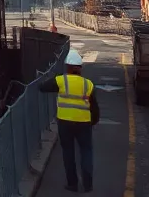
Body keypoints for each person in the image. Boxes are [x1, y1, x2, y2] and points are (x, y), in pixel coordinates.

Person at [39, 49, 100, 193]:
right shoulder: (88, 84)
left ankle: (72, 184)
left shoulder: (61, 80)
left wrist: (53, 77)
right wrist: (93, 122)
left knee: (68, 152)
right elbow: (94, 107)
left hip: (65, 123)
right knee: (86, 152)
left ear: (67, 66)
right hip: (84, 123)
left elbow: (42, 87)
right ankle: (88, 184)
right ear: (80, 68)